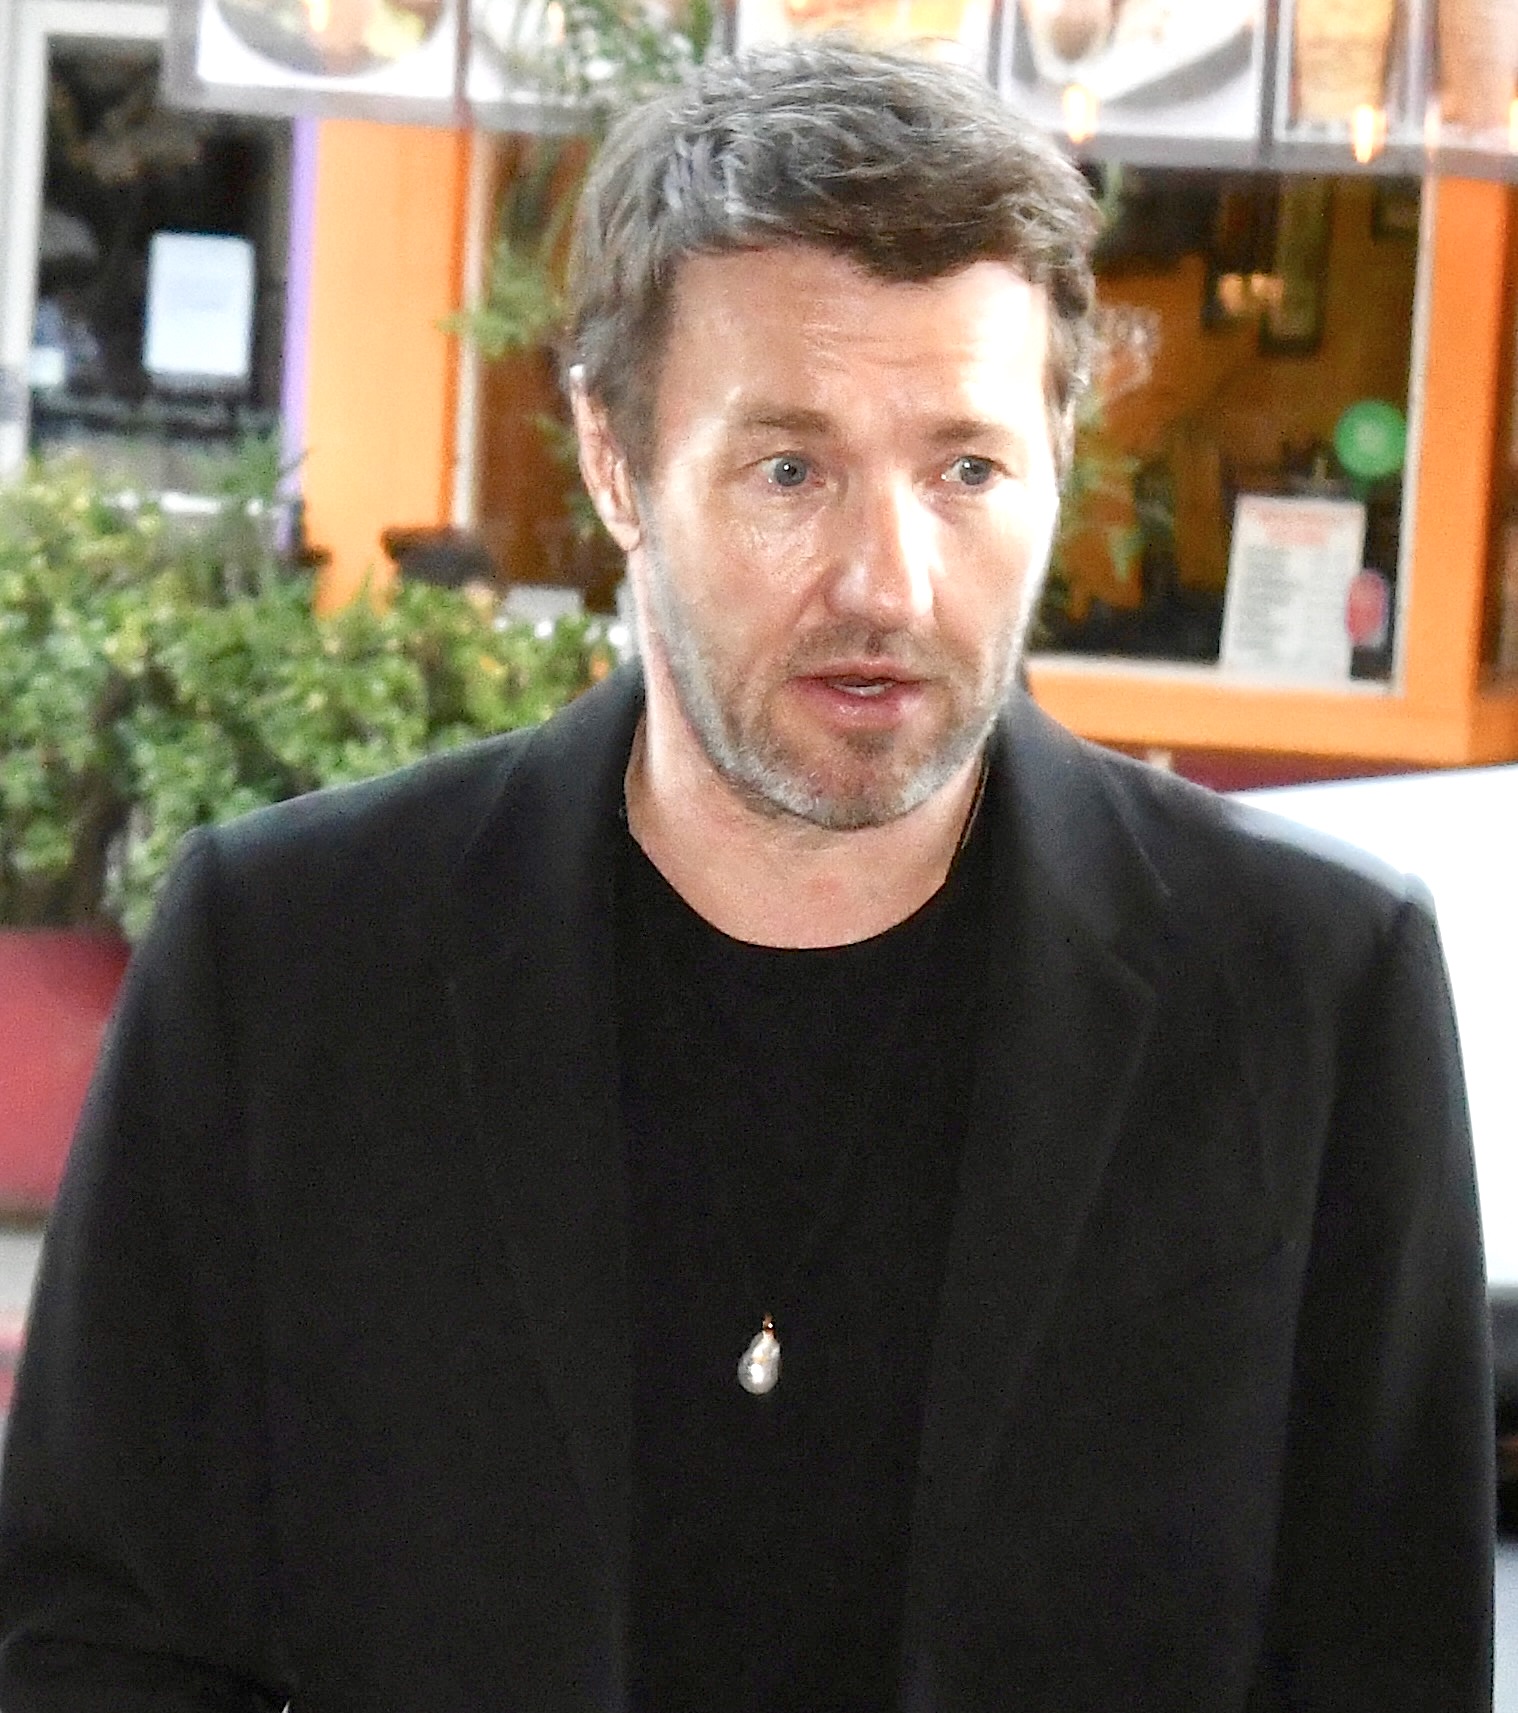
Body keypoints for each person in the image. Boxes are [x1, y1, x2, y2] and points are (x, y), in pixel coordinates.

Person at [0, 38, 1493, 1713]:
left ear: (1060, 455)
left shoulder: (1310, 987)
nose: (886, 581)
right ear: (614, 457)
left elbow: (1390, 1656)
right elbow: (104, 1636)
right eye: (791, 469)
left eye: (966, 469)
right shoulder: (291, 964)